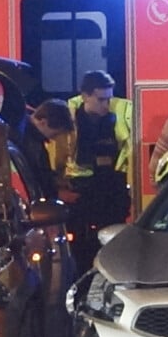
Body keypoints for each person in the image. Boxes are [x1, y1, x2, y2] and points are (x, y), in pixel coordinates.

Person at [63, 70, 132, 269]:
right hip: (80, 188)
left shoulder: (119, 114)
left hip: (112, 186)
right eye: (101, 99)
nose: (106, 105)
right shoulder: (70, 117)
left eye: (109, 99)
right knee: (80, 244)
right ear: (85, 96)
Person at [23, 99, 74, 199]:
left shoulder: (32, 137)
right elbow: (35, 177)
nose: (53, 139)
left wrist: (56, 181)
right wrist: (56, 194)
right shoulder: (29, 142)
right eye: (55, 134)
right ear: (43, 122)